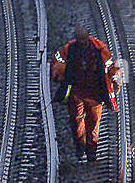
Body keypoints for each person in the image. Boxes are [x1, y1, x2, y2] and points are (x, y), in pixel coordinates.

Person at [51, 22, 122, 163]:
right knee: (76, 122)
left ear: (88, 37)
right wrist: (59, 74)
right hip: (76, 92)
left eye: (83, 39)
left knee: (93, 123)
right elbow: (57, 61)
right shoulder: (69, 49)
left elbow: (110, 66)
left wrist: (115, 80)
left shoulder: (99, 49)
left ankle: (91, 153)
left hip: (95, 93)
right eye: (79, 39)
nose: (82, 42)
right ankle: (80, 147)